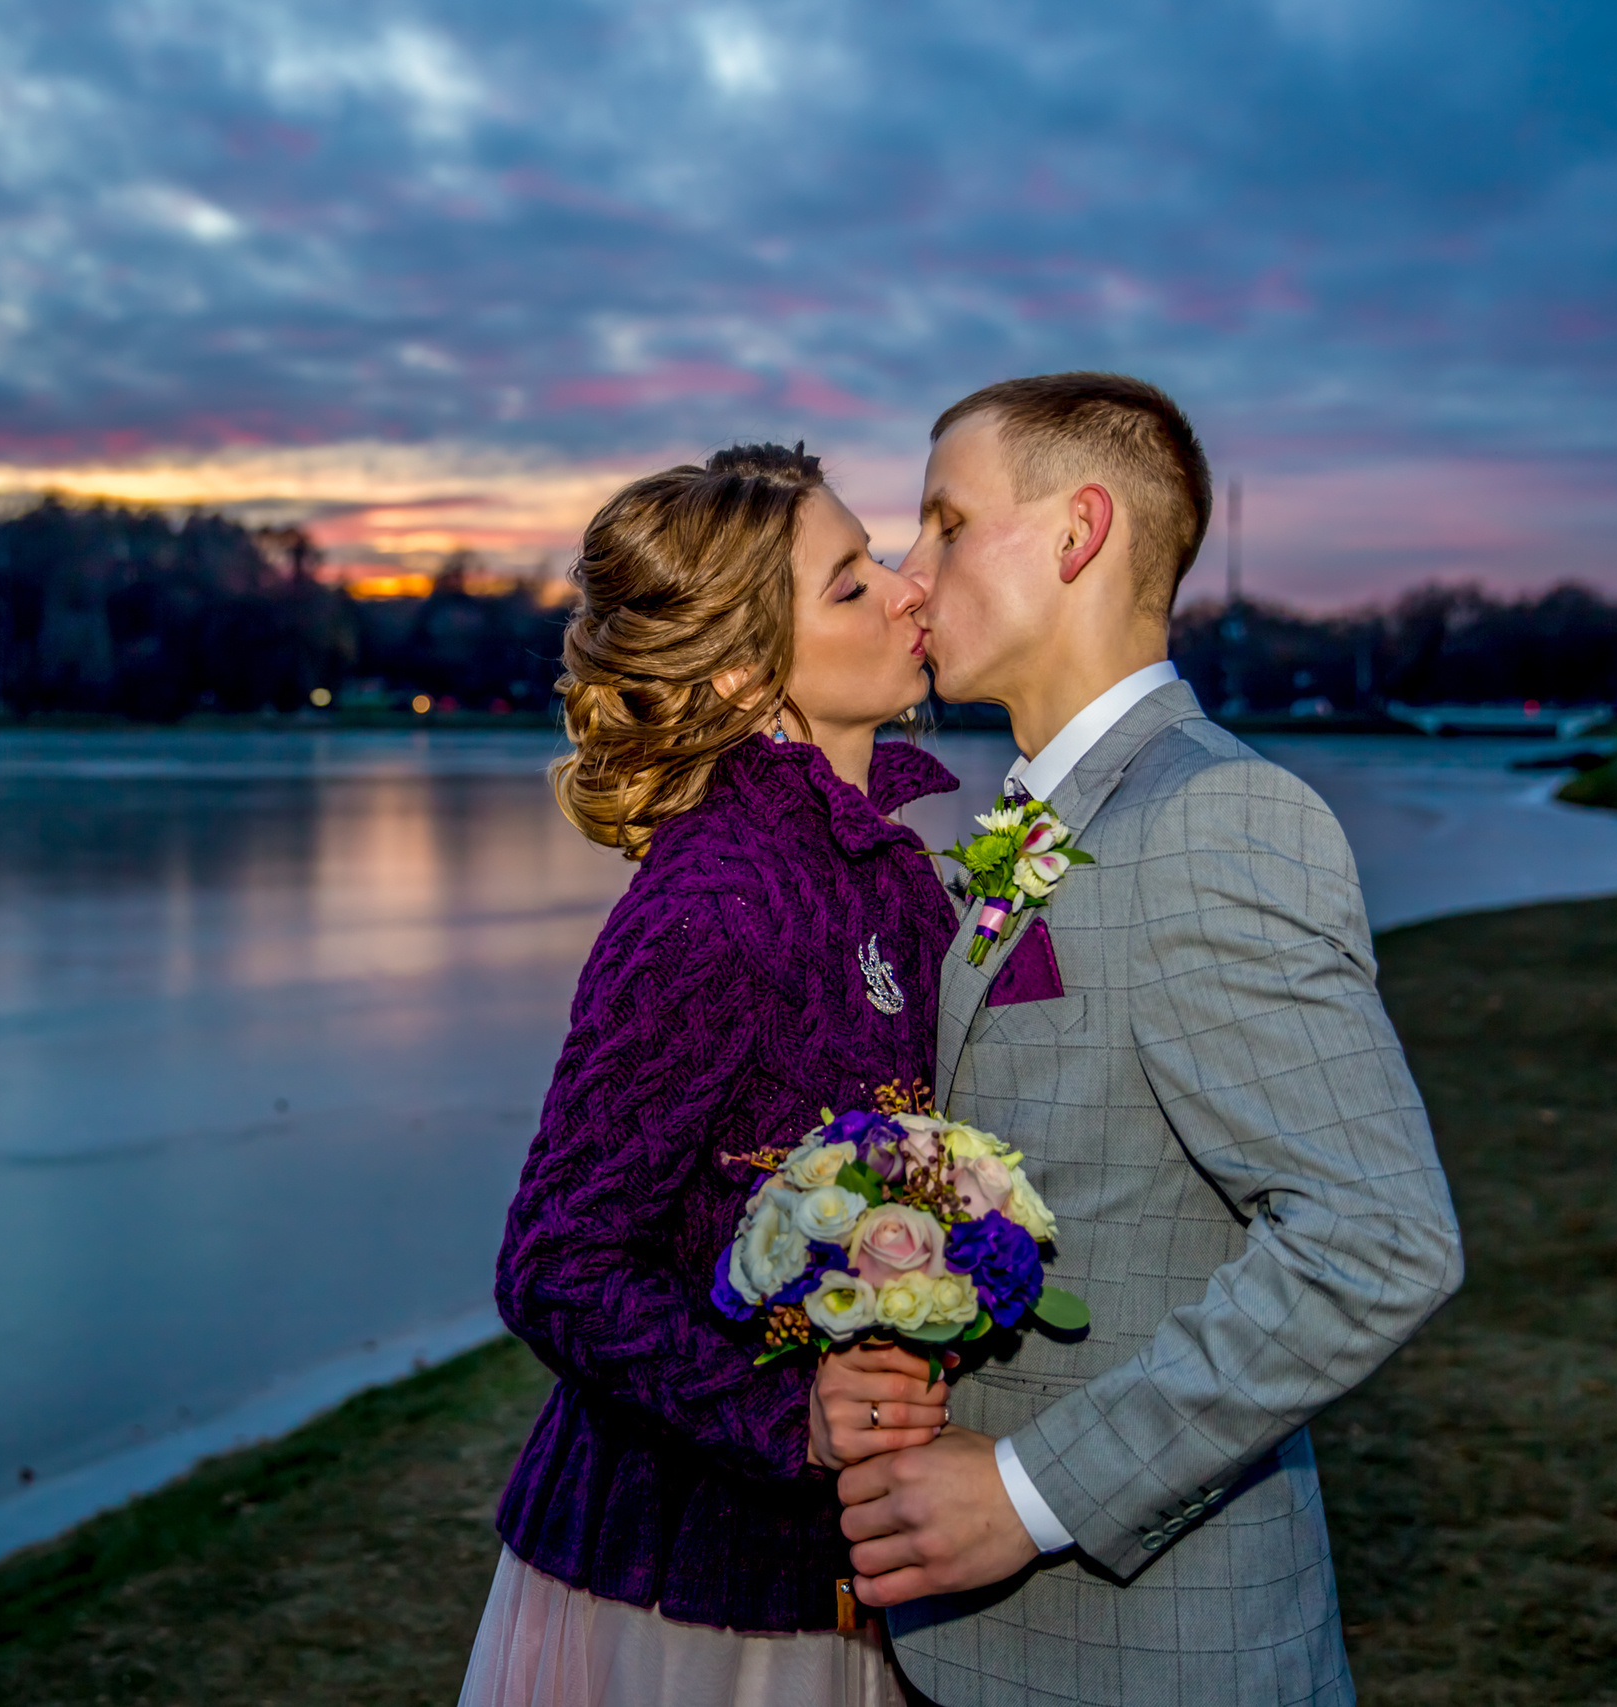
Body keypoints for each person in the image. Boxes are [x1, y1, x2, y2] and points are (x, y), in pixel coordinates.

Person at [840, 375, 1466, 1706]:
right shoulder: (1032, 818)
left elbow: (1376, 1235)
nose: (909, 574)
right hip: (989, 1650)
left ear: (1076, 533)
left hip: (1156, 1657)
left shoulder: (1219, 814)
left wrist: (1029, 1490)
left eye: (945, 523)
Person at [461, 443, 963, 1707]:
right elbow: (556, 1262)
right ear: (746, 675)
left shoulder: (892, 874)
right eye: (850, 584)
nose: (909, 590)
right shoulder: (712, 902)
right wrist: (786, 1415)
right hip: (688, 1599)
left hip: (863, 1566)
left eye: (880, 560)